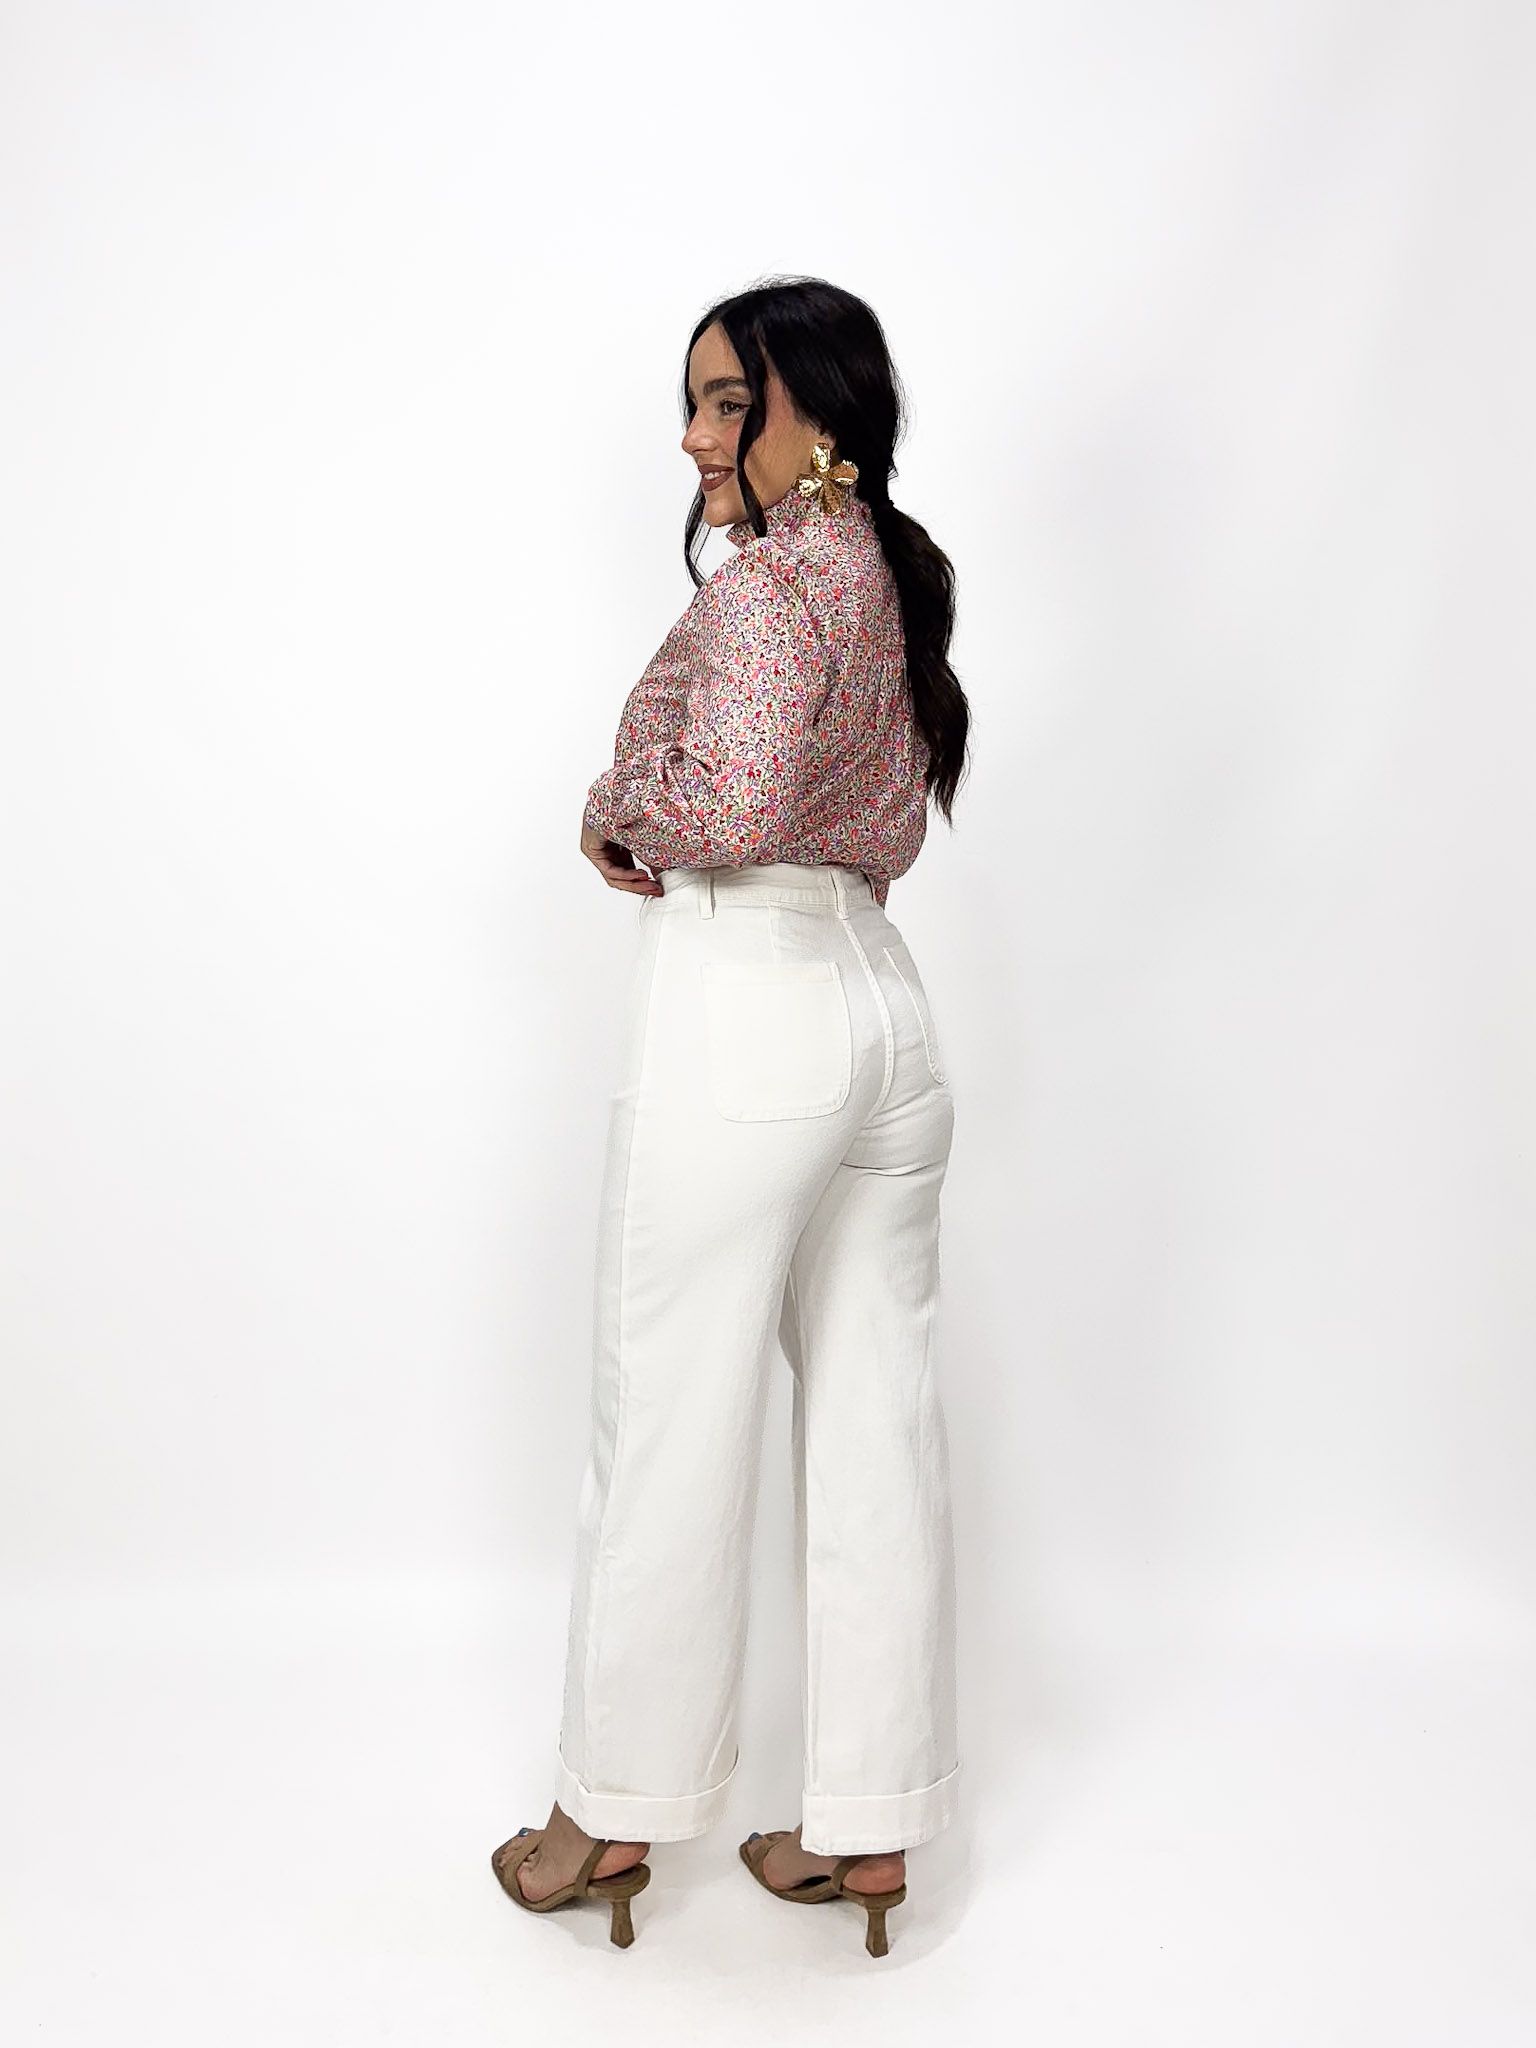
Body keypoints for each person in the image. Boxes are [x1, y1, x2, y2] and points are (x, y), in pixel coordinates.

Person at [491, 277, 971, 1958]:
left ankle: (605, 1818)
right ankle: (871, 1831)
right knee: (879, 1419)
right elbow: (877, 814)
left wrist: (611, 801)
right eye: (691, 403)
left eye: (726, 402)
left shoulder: (774, 586)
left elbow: (731, 801)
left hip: (748, 1005)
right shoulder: (888, 574)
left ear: (816, 417)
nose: (696, 437)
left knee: (665, 1406)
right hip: (882, 1003)